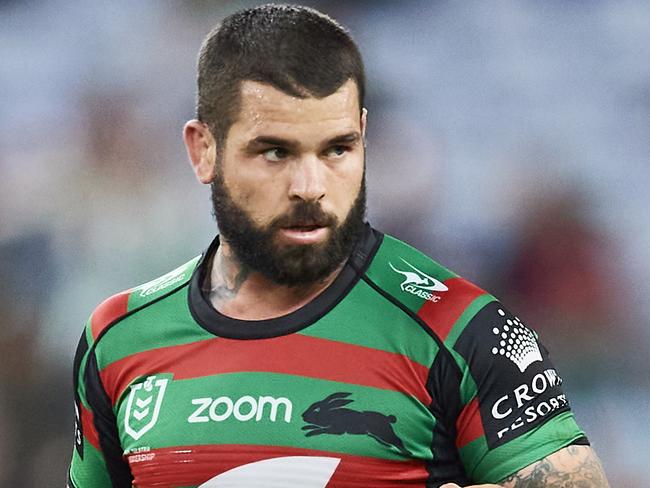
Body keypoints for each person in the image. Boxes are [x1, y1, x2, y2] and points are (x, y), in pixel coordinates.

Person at [68, 4, 610, 487]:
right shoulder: (119, 339)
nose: (311, 186)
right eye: (275, 152)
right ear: (203, 149)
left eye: (337, 149)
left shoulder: (461, 330)